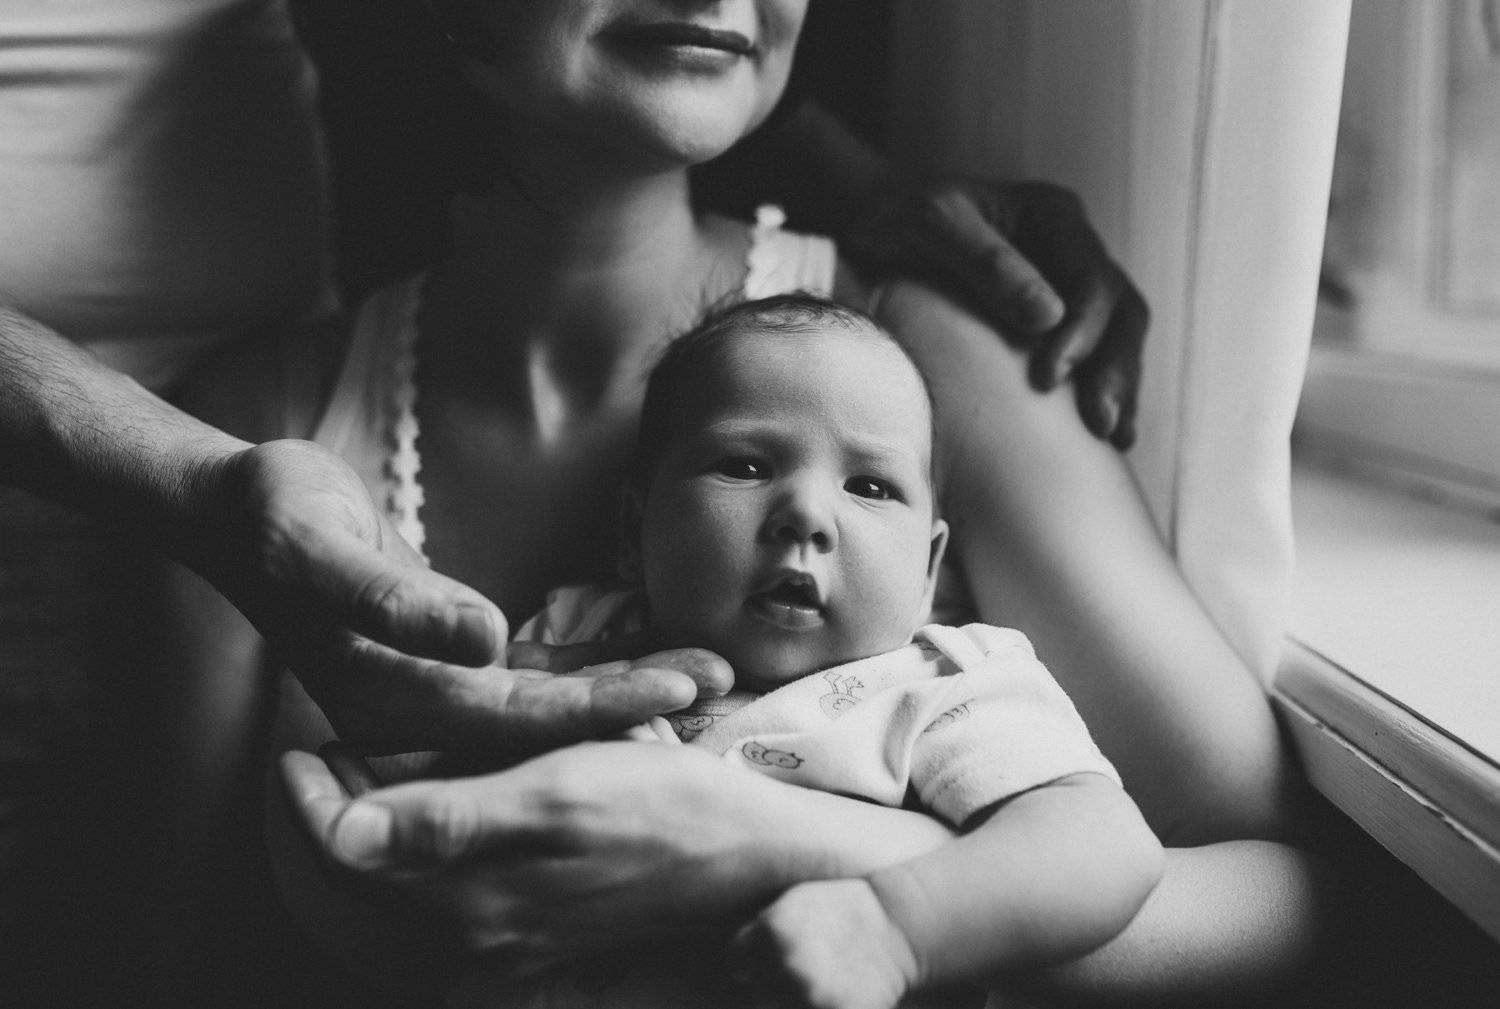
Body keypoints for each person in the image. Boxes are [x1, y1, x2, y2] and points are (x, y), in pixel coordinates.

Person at [187, 1, 1333, 1007]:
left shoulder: (938, 362)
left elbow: (1287, 892)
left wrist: (795, 856)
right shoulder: (253, 424)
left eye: (872, 488)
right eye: (740, 468)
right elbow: (164, 950)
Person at [494, 292, 1162, 1008]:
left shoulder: (939, 686)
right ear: (635, 529)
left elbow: (1104, 844)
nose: (807, 513)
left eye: (870, 485)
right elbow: (445, 754)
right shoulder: (576, 630)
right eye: (745, 466)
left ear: (928, 570)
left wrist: (895, 927)